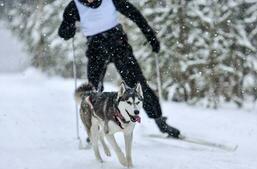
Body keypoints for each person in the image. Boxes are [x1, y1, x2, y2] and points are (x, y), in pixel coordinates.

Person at [58, 0, 180, 138]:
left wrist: (150, 36)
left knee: (138, 85)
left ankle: (160, 122)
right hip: (95, 48)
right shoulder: (74, 6)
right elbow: (63, 31)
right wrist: (67, 30)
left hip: (118, 44)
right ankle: (94, 127)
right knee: (94, 91)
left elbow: (135, 15)